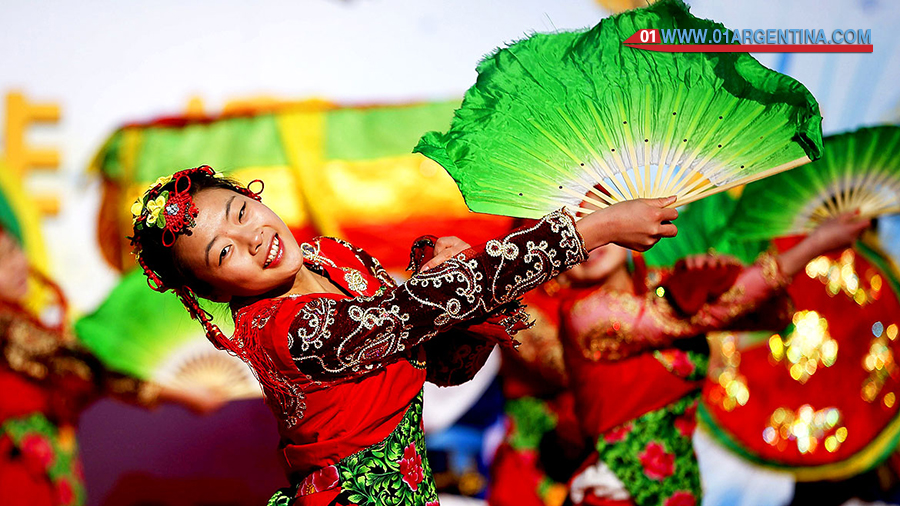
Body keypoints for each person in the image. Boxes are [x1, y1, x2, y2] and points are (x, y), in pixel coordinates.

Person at [128, 165, 679, 505]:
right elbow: (428, 303)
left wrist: (449, 286)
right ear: (213, 293)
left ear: (254, 196)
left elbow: (444, 366)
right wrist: (599, 228)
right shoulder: (291, 330)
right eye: (222, 252)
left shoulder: (330, 255)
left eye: (240, 212)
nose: (252, 238)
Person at [557, 213, 870, 506]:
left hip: (678, 487)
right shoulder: (584, 314)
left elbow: (772, 315)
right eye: (573, 234)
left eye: (598, 218)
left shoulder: (659, 283)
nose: (590, 245)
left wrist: (724, 271)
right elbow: (708, 313)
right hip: (616, 490)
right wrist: (813, 245)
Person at [0, 225, 223, 506]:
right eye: (0, 264)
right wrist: (176, 393)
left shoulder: (22, 318)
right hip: (19, 474)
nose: (15, 266)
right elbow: (81, 365)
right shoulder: (7, 328)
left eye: (11, 251)